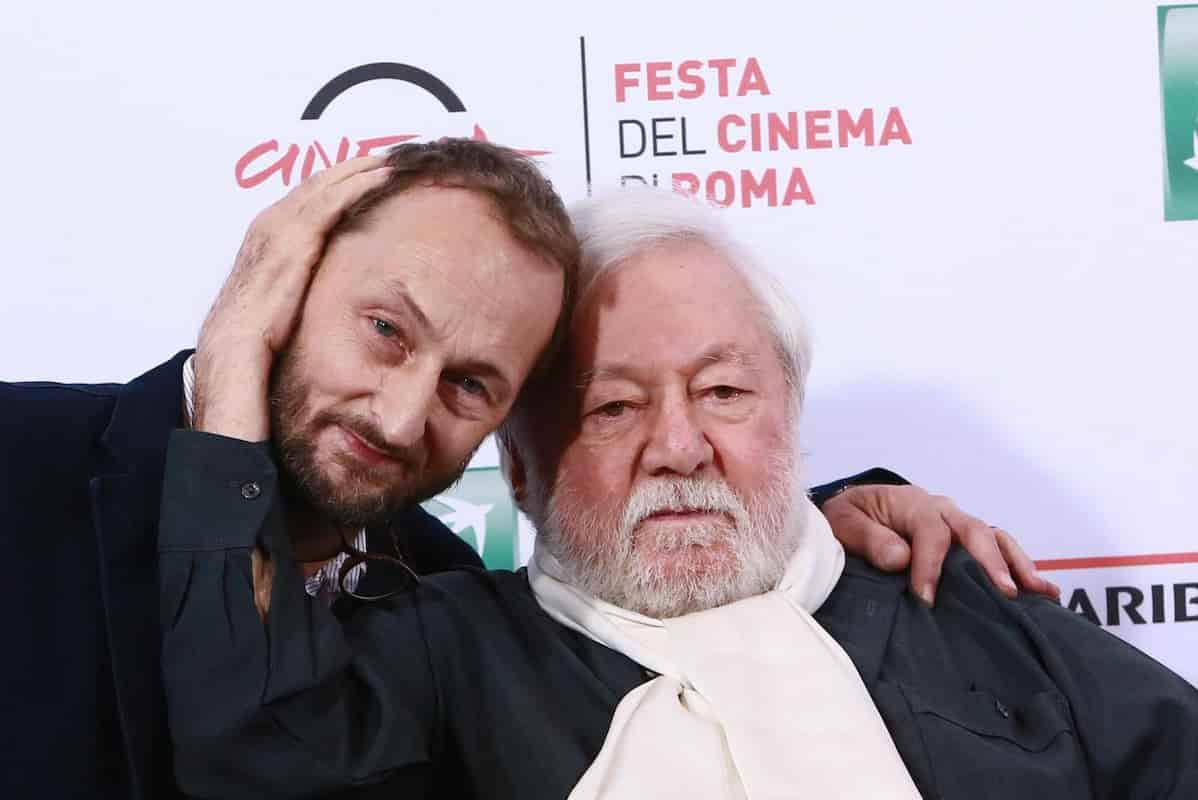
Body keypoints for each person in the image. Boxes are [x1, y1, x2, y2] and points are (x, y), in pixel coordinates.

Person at [0, 141, 1040, 800]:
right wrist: (229, 378)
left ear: (508, 439)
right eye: (385, 330)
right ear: (286, 277)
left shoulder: (439, 594)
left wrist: (822, 516)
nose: (401, 415)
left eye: (470, 385)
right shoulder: (19, 453)